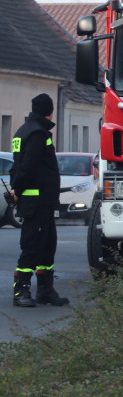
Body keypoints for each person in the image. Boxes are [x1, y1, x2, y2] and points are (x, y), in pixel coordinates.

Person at [10, 94, 68, 307]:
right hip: (36, 202)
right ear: (49, 111)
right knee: (33, 246)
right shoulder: (37, 133)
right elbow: (28, 167)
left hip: (41, 201)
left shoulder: (23, 131)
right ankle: (21, 290)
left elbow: (17, 166)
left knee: (47, 245)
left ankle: (45, 290)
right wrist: (18, 189)